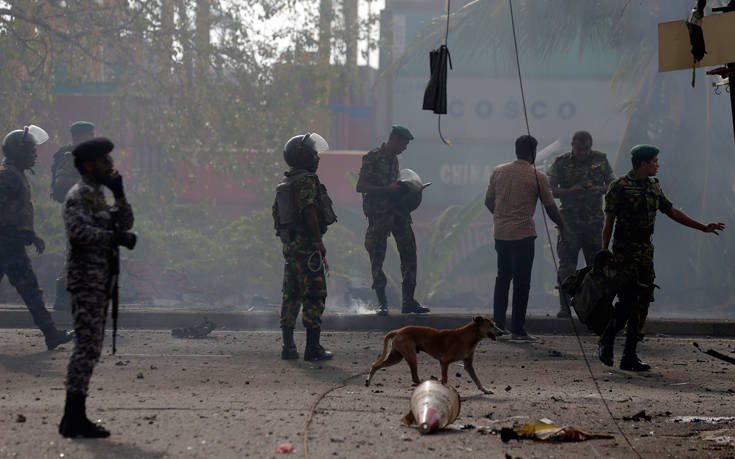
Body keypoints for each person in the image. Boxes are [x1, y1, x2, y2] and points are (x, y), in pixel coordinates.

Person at [598, 144, 725, 371]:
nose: (658, 165)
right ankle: (607, 340)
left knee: (643, 301)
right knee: (627, 301)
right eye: (655, 161)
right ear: (644, 163)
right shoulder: (620, 186)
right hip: (624, 251)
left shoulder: (654, 186)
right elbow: (609, 222)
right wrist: (605, 251)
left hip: (645, 251)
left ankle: (629, 355)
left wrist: (702, 227)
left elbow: (672, 211)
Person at [59, 137, 136, 437]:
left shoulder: (99, 196)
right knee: (85, 348)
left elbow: (125, 222)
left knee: (91, 348)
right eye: (105, 161)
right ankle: (72, 417)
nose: (110, 166)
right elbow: (78, 232)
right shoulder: (79, 195)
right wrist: (112, 239)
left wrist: (120, 194)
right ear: (90, 165)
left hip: (99, 281)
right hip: (85, 280)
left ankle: (76, 416)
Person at [485, 135, 565, 342]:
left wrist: (502, 217)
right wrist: (564, 226)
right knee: (522, 283)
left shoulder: (498, 171)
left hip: (500, 234)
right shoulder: (537, 177)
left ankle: (498, 327)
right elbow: (550, 207)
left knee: (502, 279)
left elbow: (488, 201)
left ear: (516, 150)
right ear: (534, 152)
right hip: (523, 235)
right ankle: (518, 330)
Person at [0, 126, 72, 350]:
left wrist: (31, 235)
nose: (35, 154)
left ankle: (51, 334)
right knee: (30, 290)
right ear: (18, 151)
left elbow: (15, 212)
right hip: (6, 244)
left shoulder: (14, 174)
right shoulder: (8, 176)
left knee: (31, 291)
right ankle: (50, 334)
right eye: (30, 150)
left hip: (10, 243)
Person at [272, 132, 337, 361]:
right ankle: (313, 348)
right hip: (308, 245)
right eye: (314, 153)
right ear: (304, 157)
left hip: (291, 246)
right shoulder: (306, 181)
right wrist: (318, 240)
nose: (317, 157)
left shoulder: (286, 182)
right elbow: (309, 209)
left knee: (291, 293)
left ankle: (288, 347)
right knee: (314, 294)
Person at [357, 125, 429, 316]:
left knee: (409, 252)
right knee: (377, 257)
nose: (405, 148)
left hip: (398, 213)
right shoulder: (372, 157)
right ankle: (382, 302)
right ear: (394, 139)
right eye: (404, 143)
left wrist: (405, 189)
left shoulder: (395, 160)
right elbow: (360, 186)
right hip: (379, 215)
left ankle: (408, 301)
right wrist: (386, 189)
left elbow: (393, 185)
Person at [547, 131, 614, 318]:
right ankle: (565, 307)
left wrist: (599, 189)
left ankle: (593, 308)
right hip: (569, 223)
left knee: (596, 266)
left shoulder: (600, 160)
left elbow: (613, 184)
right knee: (567, 265)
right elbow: (549, 189)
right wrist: (569, 191)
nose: (583, 153)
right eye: (579, 149)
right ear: (572, 146)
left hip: (593, 223)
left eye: (586, 149)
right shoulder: (561, 162)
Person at [50, 121, 96, 311]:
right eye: (89, 135)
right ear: (78, 136)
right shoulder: (71, 157)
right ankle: (62, 296)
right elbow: (61, 181)